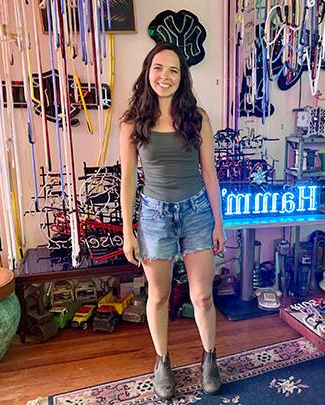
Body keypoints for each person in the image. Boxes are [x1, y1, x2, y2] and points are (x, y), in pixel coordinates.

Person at [119, 42, 226, 400]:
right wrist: (127, 231)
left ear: (182, 78)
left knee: (202, 296)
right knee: (160, 295)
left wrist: (219, 223)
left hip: (196, 211)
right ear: (148, 73)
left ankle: (209, 358)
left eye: (173, 71)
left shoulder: (197, 118)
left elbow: (209, 172)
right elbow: (128, 180)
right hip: (153, 215)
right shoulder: (133, 122)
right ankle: (162, 361)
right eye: (159, 69)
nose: (165, 76)